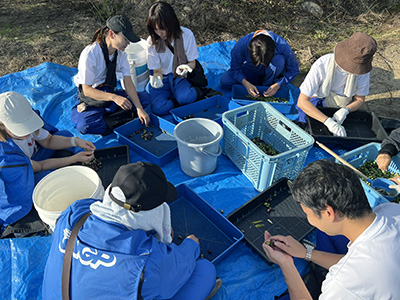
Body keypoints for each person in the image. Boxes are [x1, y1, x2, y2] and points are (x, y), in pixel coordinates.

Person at [42, 162, 221, 300]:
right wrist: (191, 244)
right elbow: (181, 261)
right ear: (150, 214)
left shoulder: (74, 214)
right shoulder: (149, 261)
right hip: (149, 271)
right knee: (205, 271)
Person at [262, 159, 400, 299]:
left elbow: (355, 271)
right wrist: (306, 253)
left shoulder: (343, 284)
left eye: (307, 214)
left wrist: (286, 265)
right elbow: (359, 263)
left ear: (328, 213)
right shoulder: (392, 210)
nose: (309, 220)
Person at [0, 91, 95, 238]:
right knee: (49, 180)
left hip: (33, 159)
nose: (27, 132)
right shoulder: (7, 156)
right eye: (21, 129)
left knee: (65, 136)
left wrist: (76, 141)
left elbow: (49, 141)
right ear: (2, 126)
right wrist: (72, 159)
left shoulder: (30, 125)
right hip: (24, 171)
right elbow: (40, 166)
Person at [71, 15, 150, 135]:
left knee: (145, 99)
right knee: (85, 125)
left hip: (109, 91)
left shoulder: (122, 53)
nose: (128, 43)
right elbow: (87, 90)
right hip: (94, 97)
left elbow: (128, 83)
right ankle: (116, 119)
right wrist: (115, 98)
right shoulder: (90, 54)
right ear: (112, 34)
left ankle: (112, 117)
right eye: (126, 39)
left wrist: (139, 108)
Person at [296, 32, 377, 137]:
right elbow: (302, 102)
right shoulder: (322, 64)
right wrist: (327, 122)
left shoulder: (362, 71)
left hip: (341, 103)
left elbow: (360, 99)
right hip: (318, 99)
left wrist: (346, 110)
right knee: (308, 128)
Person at [146, 1, 211, 116]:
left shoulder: (186, 35)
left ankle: (189, 95)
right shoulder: (152, 42)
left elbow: (192, 62)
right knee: (158, 108)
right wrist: (156, 77)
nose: (159, 33)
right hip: (164, 79)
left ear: (171, 23)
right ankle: (176, 100)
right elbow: (156, 70)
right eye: (155, 29)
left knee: (187, 97)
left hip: (179, 77)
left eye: (162, 28)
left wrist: (186, 67)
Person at [220, 30, 299, 97]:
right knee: (225, 81)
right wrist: (245, 82)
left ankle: (267, 85)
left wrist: (278, 85)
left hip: (271, 71)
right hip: (250, 69)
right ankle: (254, 82)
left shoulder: (282, 46)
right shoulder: (241, 45)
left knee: (279, 61)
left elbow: (293, 69)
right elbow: (235, 68)